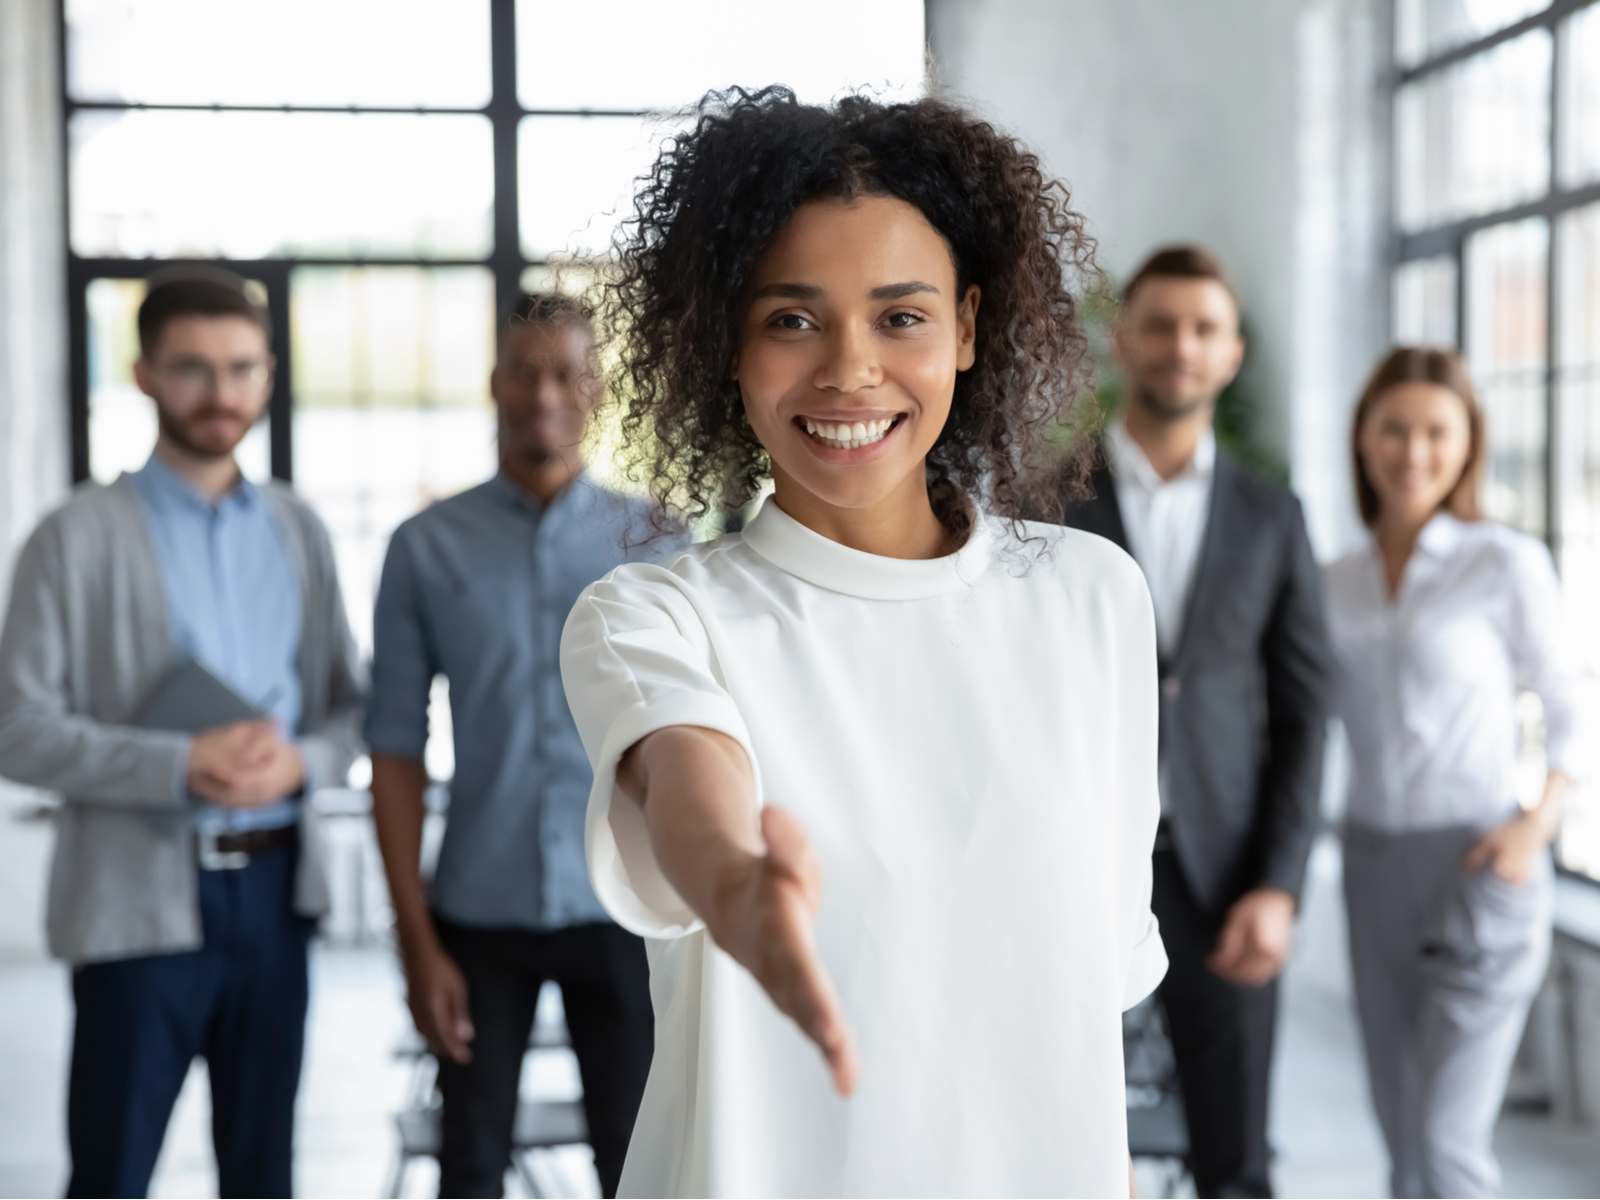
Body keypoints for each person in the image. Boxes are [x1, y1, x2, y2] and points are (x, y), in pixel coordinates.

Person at [556, 86, 1167, 1197]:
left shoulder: (1093, 600)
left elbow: (1084, 1010)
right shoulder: (656, 617)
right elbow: (690, 777)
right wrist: (734, 883)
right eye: (791, 319)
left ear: (969, 327)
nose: (848, 369)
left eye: (900, 316)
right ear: (726, 345)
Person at [0, 267, 365, 1198]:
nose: (221, 393)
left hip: (279, 896)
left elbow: (348, 709)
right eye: (194, 368)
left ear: (269, 376)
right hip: (138, 907)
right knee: (113, 1175)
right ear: (145, 374)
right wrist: (180, 764)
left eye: (241, 368)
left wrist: (300, 761)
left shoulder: (299, 531)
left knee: (263, 1176)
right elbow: (16, 729)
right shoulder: (73, 537)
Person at [366, 294, 672, 1198]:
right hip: (477, 913)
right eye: (525, 372)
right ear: (496, 385)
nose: (545, 393)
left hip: (622, 907)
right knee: (469, 1164)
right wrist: (416, 945)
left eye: (568, 372)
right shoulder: (425, 548)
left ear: (597, 389)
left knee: (640, 1157)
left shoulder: (654, 544)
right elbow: (393, 748)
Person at [1050, 245, 1331, 1197]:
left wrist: (1280, 886)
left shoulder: (1273, 515)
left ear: (1233, 354)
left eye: (1203, 328)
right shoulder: (1045, 504)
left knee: (1236, 1156)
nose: (1181, 345)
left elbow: (1304, 713)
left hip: (1230, 876)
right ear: (1123, 341)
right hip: (1075, 868)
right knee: (1060, 1139)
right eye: (1161, 324)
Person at [1324, 347, 1587, 1198]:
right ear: (1363, 439)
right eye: (1394, 428)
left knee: (1445, 1139)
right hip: (1372, 867)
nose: (1414, 451)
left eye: (1438, 431)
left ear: (1469, 443)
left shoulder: (1502, 562)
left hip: (1481, 861)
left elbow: (1572, 705)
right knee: (1401, 1132)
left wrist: (1534, 826)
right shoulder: (1336, 580)